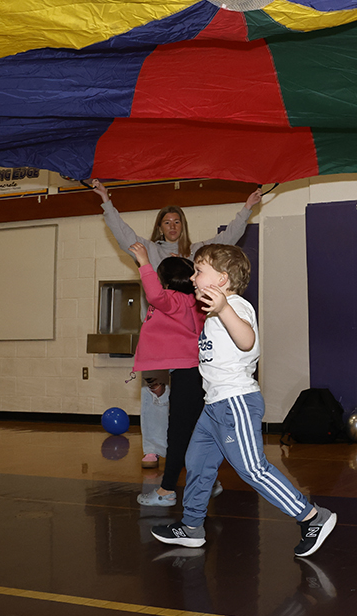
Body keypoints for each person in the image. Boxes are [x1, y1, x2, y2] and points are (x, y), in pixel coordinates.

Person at [151, 244, 337, 557]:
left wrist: (224, 309)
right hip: (214, 407)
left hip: (235, 402)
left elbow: (247, 340)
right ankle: (192, 526)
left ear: (222, 279)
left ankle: (312, 517)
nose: (193, 278)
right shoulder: (211, 315)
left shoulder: (236, 306)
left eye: (199, 271)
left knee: (252, 469)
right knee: (196, 462)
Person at [92, 180, 262, 467]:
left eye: (177, 221)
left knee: (190, 400)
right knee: (154, 395)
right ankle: (154, 449)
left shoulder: (198, 253)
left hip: (189, 338)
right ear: (160, 226)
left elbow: (228, 239)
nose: (172, 226)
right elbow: (123, 234)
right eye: (167, 221)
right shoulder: (148, 250)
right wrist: (106, 202)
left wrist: (247, 208)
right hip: (160, 338)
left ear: (182, 226)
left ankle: (190, 449)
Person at [127, 242, 219, 507]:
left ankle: (167, 491)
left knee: (178, 434)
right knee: (196, 432)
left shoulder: (173, 300)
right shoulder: (193, 302)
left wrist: (144, 261)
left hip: (188, 374)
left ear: (165, 280)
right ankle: (208, 482)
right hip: (193, 374)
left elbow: (154, 295)